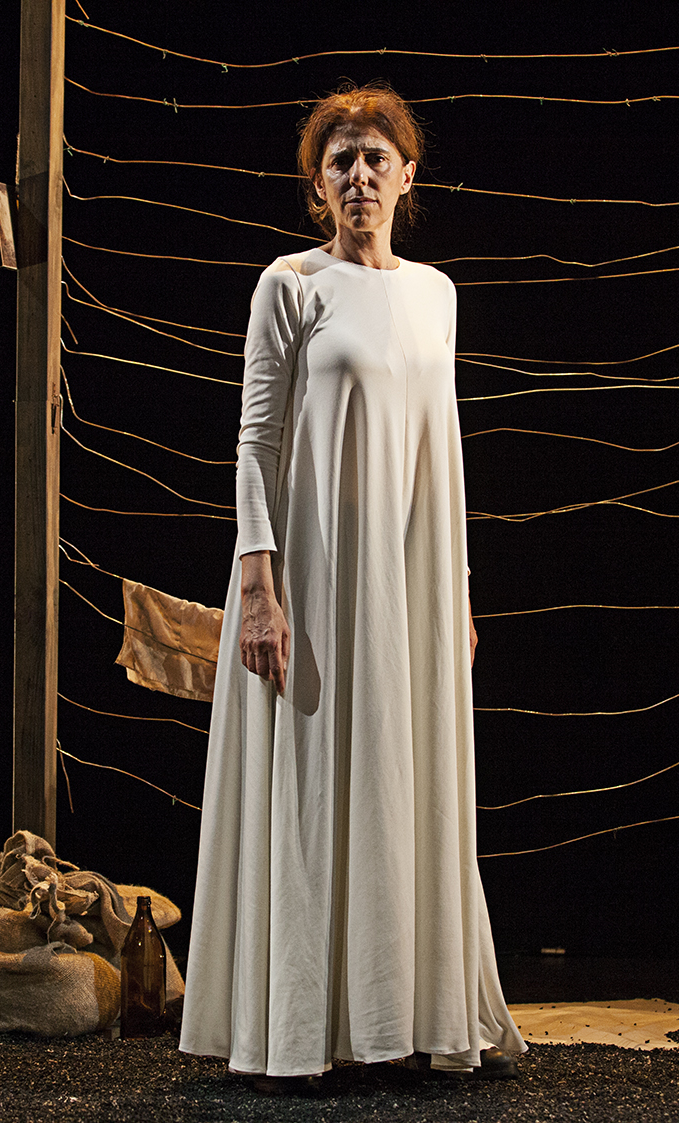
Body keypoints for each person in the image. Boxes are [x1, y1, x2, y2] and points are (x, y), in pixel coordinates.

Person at [179, 83, 526, 1090]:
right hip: (316, 574)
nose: (359, 175)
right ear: (317, 184)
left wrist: (456, 589)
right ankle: (302, 1025)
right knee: (315, 776)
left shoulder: (436, 293)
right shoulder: (290, 283)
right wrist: (258, 588)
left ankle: (403, 1015)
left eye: (376, 158)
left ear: (407, 177)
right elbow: (255, 444)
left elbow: (439, 450)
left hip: (411, 583)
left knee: (400, 776)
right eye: (341, 161)